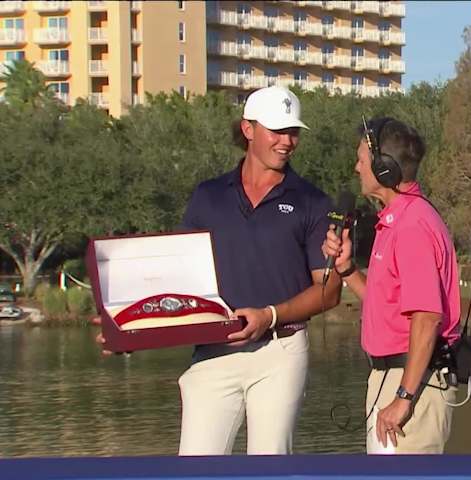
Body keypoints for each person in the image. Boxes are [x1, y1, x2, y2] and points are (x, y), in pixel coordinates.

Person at [95, 86, 342, 455]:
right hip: (212, 353)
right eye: (276, 130)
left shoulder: (313, 202)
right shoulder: (208, 196)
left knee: (268, 465)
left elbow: (329, 290)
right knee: (196, 465)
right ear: (248, 129)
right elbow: (175, 279)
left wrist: (269, 316)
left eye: (293, 132)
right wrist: (130, 332)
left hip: (280, 350)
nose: (287, 141)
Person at [322, 117, 461, 454]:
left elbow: (427, 318)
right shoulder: (398, 219)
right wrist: (348, 270)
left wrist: (403, 397)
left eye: (362, 159)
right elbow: (386, 303)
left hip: (409, 385)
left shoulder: (412, 225)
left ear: (384, 169)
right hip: (395, 380)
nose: (356, 168)